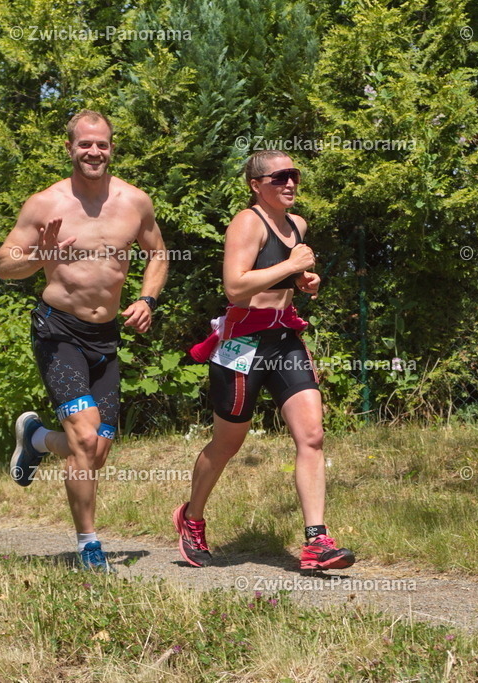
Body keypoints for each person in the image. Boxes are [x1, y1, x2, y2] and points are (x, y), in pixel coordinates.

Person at [0, 110, 168, 572]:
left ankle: (35, 439)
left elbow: (159, 253)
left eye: (103, 144)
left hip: (105, 336)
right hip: (59, 330)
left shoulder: (134, 201)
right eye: (85, 144)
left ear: (112, 148)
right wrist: (40, 255)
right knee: (86, 438)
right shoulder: (45, 204)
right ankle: (89, 547)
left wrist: (148, 299)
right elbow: (3, 265)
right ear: (69, 147)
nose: (94, 152)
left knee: (97, 448)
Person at [174, 150, 354, 571]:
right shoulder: (246, 222)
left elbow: (284, 276)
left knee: (311, 435)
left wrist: (303, 279)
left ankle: (316, 541)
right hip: (242, 343)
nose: (290, 183)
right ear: (256, 185)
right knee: (226, 444)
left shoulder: (298, 225)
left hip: (283, 338)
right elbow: (236, 287)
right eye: (280, 177)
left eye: (294, 175)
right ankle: (191, 517)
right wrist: (291, 265)